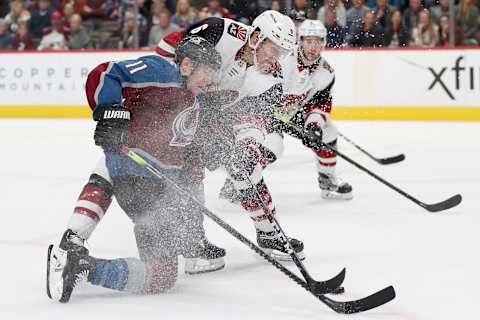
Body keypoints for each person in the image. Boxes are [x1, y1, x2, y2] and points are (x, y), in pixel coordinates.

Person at [46, 36, 223, 303]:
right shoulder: (161, 72)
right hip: (136, 172)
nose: (210, 81)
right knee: (110, 164)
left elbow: (191, 161)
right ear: (186, 65)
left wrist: (188, 220)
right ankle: (76, 246)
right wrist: (110, 112)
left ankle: (82, 266)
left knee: (162, 276)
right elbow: (105, 73)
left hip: (158, 189)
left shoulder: (197, 103)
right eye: (206, 73)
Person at [278, 19, 353, 200]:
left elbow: (320, 105)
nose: (313, 46)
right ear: (300, 41)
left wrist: (313, 126)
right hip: (266, 112)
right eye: (309, 41)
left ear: (324, 43)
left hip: (292, 114)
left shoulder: (326, 73)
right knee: (271, 147)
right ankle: (239, 183)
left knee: (328, 132)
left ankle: (327, 180)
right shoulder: (282, 59)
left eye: (318, 41)